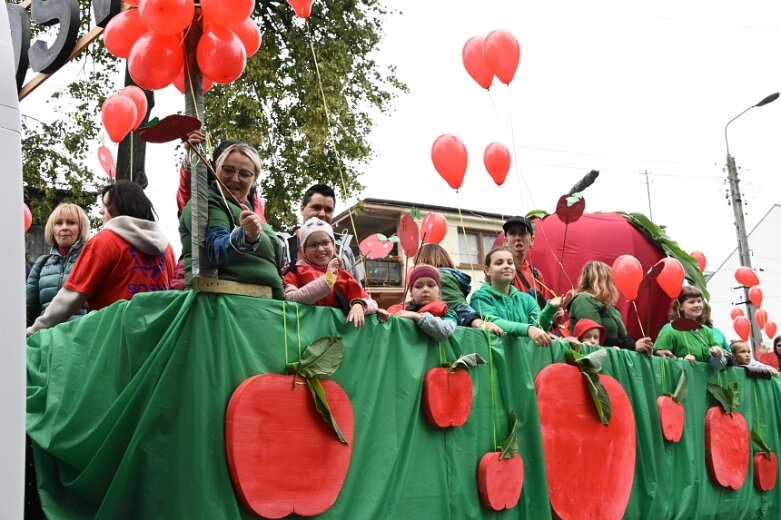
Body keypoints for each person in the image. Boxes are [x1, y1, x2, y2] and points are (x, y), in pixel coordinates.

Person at [27, 181, 175, 335]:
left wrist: (33, 331)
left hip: (112, 341)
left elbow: (70, 297)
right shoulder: (167, 249)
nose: (100, 212)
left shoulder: (105, 242)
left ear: (118, 207)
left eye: (105, 205)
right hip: (156, 341)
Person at [179, 143, 284, 298]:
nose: (235, 179)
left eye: (244, 174)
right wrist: (245, 236)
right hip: (226, 306)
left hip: (264, 307)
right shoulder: (210, 202)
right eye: (228, 170)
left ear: (254, 179)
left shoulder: (251, 212)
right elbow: (215, 248)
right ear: (215, 169)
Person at [284, 217, 377, 328]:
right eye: (313, 245)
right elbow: (291, 298)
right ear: (303, 250)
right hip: (306, 334)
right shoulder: (295, 272)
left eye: (325, 243)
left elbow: (371, 302)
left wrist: (359, 305)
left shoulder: (342, 274)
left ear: (333, 246)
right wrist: (326, 281)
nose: (320, 249)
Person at [469, 247, 561, 346]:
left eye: (510, 262)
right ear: (487, 270)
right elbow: (494, 322)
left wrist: (550, 308)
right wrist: (528, 329)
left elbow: (539, 329)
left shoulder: (527, 299)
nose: (506, 266)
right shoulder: (479, 297)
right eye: (499, 263)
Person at [279, 183, 362, 284]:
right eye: (316, 207)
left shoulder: (344, 251)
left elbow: (356, 290)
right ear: (302, 209)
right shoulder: (281, 244)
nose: (322, 214)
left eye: (328, 210)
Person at [415, 243, 503, 335]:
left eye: (416, 263)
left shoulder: (442, 277)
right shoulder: (448, 277)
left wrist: (479, 323)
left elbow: (458, 305)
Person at [568, 260, 654, 354]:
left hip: (612, 358)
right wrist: (632, 346)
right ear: (602, 281)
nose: (615, 285)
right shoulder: (584, 300)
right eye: (612, 280)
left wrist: (651, 350)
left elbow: (625, 338)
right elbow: (596, 337)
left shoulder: (611, 308)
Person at [26, 203, 91, 326]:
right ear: (52, 228)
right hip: (46, 340)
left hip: (82, 339)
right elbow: (28, 309)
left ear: (81, 228)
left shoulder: (91, 260)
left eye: (71, 222)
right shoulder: (41, 264)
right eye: (59, 223)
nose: (64, 227)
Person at [380, 264, 457, 341]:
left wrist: (418, 317)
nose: (425, 289)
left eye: (431, 285)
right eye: (418, 286)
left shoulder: (447, 313)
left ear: (439, 290)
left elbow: (445, 331)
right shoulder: (400, 312)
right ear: (411, 292)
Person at [654, 286, 728, 363]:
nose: (697, 305)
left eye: (699, 301)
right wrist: (681, 360)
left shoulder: (706, 331)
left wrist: (718, 353)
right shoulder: (670, 330)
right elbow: (659, 360)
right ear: (680, 306)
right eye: (691, 302)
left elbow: (718, 360)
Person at [503, 215, 553, 308]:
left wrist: (554, 313)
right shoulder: (500, 271)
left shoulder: (536, 275)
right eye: (512, 233)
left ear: (532, 240)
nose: (517, 238)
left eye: (522, 233)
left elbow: (544, 311)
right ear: (506, 240)